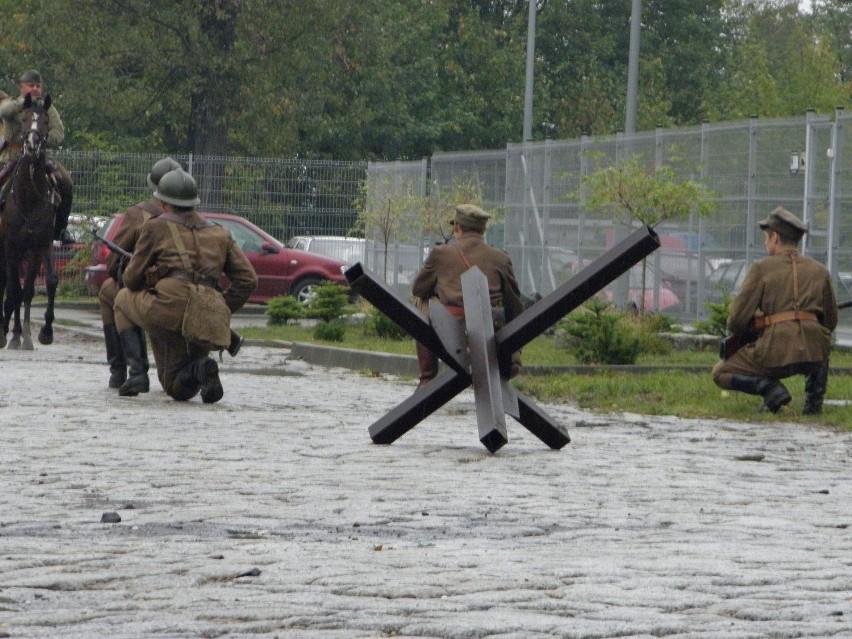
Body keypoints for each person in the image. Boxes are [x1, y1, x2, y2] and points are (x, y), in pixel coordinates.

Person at [113, 169, 257, 403]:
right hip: (204, 318)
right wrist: (219, 309)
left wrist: (149, 276)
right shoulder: (220, 232)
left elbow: (130, 280)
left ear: (163, 202)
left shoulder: (155, 227)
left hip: (167, 309)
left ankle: (137, 373)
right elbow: (249, 280)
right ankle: (201, 367)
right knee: (177, 389)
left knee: (121, 299)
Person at [712, 207, 838, 413]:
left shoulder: (761, 268)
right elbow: (830, 322)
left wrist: (755, 326)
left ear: (776, 238)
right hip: (813, 356)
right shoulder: (820, 271)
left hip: (773, 355)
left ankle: (770, 389)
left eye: (766, 239)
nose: (764, 243)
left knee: (720, 372)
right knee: (820, 338)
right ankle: (814, 404)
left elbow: (736, 320)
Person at [411, 203, 523, 386]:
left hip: (450, 334)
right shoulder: (501, 258)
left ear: (456, 227)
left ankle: (427, 376)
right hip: (488, 336)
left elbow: (417, 289)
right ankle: (511, 361)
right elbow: (515, 307)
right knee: (509, 311)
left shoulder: (441, 253)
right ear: (484, 229)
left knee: (422, 301)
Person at [97, 157, 181, 390]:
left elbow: (112, 263)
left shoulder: (138, 214)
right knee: (171, 381)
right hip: (185, 289)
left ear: (152, 186)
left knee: (107, 292)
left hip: (149, 290)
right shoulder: (194, 217)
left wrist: (127, 272)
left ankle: (123, 370)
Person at [0, 69, 74, 244]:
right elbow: (4, 112)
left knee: (66, 183)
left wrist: (41, 138)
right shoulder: (12, 104)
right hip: (12, 157)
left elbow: (59, 131)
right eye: (31, 85)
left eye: (38, 86)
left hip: (39, 156)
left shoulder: (47, 108)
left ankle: (60, 231)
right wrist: (23, 103)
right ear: (22, 87)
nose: (35, 89)